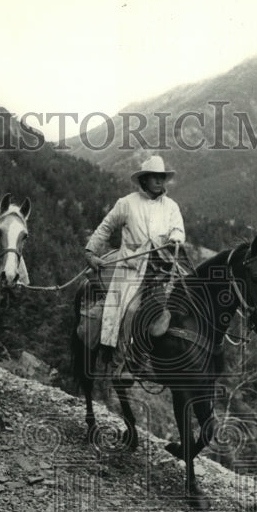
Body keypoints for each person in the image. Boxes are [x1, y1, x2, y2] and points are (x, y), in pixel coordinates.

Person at [85, 155, 185, 378]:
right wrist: (90, 252)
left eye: (162, 177)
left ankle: (166, 358)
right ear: (145, 180)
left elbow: (178, 228)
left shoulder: (171, 207)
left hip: (162, 267)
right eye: (155, 177)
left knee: (179, 304)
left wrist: (176, 238)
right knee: (130, 310)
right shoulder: (127, 203)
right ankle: (122, 361)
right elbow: (106, 227)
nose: (160, 181)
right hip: (131, 268)